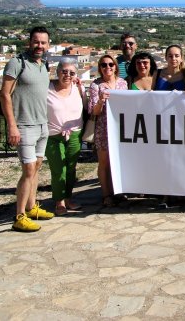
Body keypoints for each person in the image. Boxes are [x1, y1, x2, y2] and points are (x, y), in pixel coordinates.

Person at [0, 26, 55, 232]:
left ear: (48, 45)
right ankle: (19, 215)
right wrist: (12, 125)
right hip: (24, 125)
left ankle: (32, 207)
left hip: (42, 124)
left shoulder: (43, 65)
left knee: (37, 167)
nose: (39, 46)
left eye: (43, 42)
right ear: (29, 42)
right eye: (36, 42)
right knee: (28, 169)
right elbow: (4, 94)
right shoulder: (17, 63)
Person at [89, 54, 129, 207]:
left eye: (111, 64)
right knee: (104, 163)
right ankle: (106, 195)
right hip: (103, 128)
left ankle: (118, 191)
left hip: (120, 128)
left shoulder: (122, 84)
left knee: (119, 161)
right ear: (99, 68)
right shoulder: (95, 85)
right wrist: (101, 100)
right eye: (104, 65)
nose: (108, 68)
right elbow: (94, 111)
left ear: (115, 66)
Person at [46, 58, 84, 216]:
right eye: (64, 71)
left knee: (71, 169)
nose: (67, 75)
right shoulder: (47, 88)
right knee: (58, 169)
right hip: (53, 135)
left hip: (75, 133)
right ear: (57, 72)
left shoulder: (77, 88)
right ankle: (59, 201)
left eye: (72, 72)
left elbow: (86, 105)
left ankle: (68, 198)